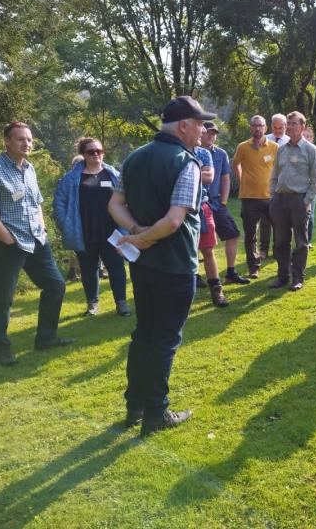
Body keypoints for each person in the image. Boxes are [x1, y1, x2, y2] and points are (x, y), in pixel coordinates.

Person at [108, 95, 211, 437]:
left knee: (144, 334)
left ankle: (134, 406)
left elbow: (115, 204)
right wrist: (145, 237)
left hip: (143, 266)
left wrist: (137, 235)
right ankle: (156, 412)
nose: (203, 130)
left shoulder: (133, 157)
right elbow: (174, 220)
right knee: (165, 339)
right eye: (199, 124)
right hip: (175, 265)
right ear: (184, 125)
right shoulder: (188, 163)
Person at [0, 121, 72, 366]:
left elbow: (36, 202)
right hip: (9, 243)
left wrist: (43, 227)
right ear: (7, 141)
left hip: (37, 240)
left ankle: (46, 338)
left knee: (56, 286)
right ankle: (2, 350)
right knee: (3, 298)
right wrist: (8, 239)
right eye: (20, 139)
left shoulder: (29, 168)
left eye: (29, 139)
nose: (26, 144)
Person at [53, 138, 129, 316]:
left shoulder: (114, 175)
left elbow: (126, 202)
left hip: (112, 232)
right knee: (88, 270)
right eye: (90, 152)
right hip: (83, 232)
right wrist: (66, 225)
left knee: (116, 267)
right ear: (83, 154)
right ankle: (92, 305)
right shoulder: (71, 179)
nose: (96, 154)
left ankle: (122, 303)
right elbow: (59, 203)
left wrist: (126, 228)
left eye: (99, 151)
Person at [268, 111, 316, 291]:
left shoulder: (311, 150)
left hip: (299, 200)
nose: (289, 126)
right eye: (288, 123)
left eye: (293, 123)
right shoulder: (281, 149)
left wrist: (306, 201)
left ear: (303, 127)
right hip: (280, 200)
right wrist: (273, 195)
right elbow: (274, 176)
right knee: (281, 241)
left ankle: (297, 277)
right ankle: (282, 276)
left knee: (300, 241)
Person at [202, 121, 251, 285]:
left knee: (233, 233)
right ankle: (194, 275)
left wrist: (223, 201)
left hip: (216, 203)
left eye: (214, 133)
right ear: (201, 133)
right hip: (197, 204)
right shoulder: (192, 152)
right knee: (196, 239)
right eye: (209, 132)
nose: (212, 136)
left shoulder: (221, 154)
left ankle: (230, 272)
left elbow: (225, 179)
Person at [232, 115, 278, 278]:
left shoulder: (274, 147)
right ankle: (254, 268)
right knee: (250, 235)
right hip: (249, 198)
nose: (258, 128)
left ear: (266, 128)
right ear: (250, 128)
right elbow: (235, 164)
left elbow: (279, 168)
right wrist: (241, 179)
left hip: (270, 197)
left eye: (261, 125)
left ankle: (282, 263)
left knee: (280, 230)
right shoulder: (243, 147)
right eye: (255, 125)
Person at [193, 128, 229, 307]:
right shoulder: (174, 152)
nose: (202, 133)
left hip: (201, 207)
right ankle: (185, 290)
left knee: (208, 250)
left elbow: (209, 177)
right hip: (177, 209)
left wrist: (180, 172)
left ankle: (217, 291)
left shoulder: (203, 153)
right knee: (184, 252)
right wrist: (198, 171)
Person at [303, 125, 316, 248]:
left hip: (312, 187)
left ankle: (308, 241)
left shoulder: (315, 151)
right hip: (298, 187)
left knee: (310, 214)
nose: (307, 138)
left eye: (309, 137)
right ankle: (300, 240)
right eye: (305, 136)